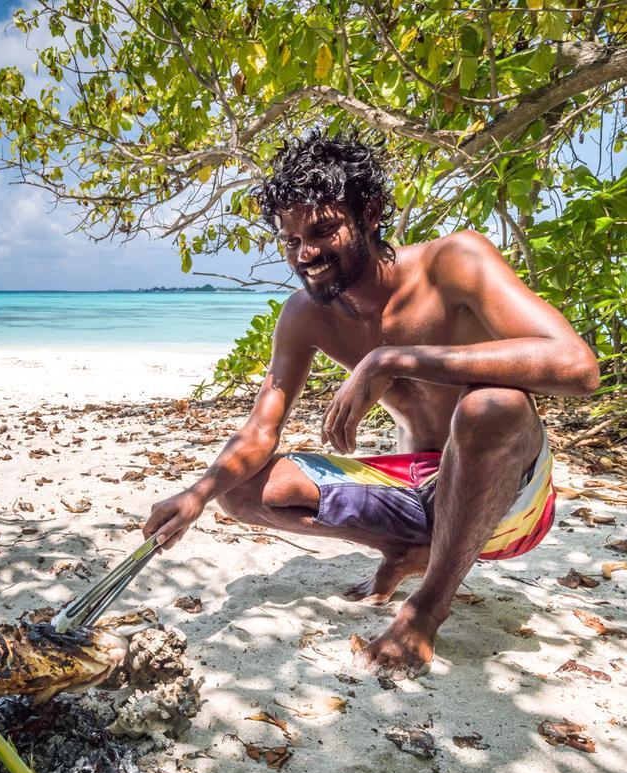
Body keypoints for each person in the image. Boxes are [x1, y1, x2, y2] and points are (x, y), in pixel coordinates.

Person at [142, 129, 599, 680]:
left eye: (322, 230)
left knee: (490, 406)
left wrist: (394, 359)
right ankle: (407, 551)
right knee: (236, 488)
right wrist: (195, 495)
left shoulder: (453, 263)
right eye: (289, 240)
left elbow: (578, 366)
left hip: (508, 504)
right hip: (418, 494)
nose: (304, 255)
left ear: (372, 213)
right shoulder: (305, 316)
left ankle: (426, 609)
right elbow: (262, 427)